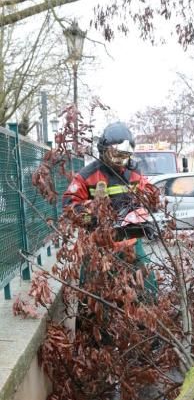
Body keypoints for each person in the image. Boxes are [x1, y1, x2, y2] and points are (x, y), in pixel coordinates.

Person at [62, 121, 157, 297]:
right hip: (99, 242)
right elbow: (69, 205)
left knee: (148, 285)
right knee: (92, 290)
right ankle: (90, 321)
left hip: (129, 241)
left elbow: (148, 197)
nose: (120, 160)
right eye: (116, 154)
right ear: (104, 150)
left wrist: (146, 216)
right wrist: (91, 218)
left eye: (124, 155)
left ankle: (146, 317)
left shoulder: (133, 173)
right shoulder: (87, 176)